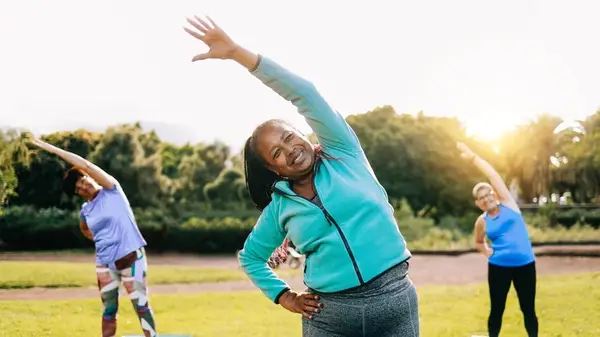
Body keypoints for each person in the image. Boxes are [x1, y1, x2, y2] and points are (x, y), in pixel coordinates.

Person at [184, 15, 419, 336]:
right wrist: (285, 296)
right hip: (329, 316)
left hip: (393, 303)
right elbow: (251, 258)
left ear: (303, 133)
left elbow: (305, 93)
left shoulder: (343, 152)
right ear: (272, 169)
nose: (289, 149)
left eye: (289, 137)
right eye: (277, 153)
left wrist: (238, 53)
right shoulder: (279, 209)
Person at [29, 138, 157, 337]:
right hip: (105, 265)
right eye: (77, 190)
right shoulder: (86, 211)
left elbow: (85, 164)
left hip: (132, 258)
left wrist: (49, 148)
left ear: (88, 176)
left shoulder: (111, 190)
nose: (82, 187)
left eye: (82, 180)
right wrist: (100, 239)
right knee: (109, 311)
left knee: (141, 306)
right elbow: (85, 229)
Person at [457, 142, 538, 337]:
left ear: (493, 194)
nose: (486, 199)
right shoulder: (481, 222)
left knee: (528, 309)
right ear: (478, 203)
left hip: (525, 266)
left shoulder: (509, 205)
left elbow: (493, 175)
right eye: (481, 198)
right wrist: (486, 252)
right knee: (497, 310)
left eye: (487, 194)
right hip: (498, 268)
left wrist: (472, 157)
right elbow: (478, 241)